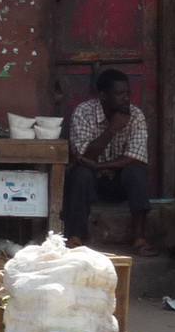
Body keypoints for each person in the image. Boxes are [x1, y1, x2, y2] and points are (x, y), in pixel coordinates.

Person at [66, 69, 155, 253]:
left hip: (119, 181)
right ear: (103, 96)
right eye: (120, 94)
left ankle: (139, 238)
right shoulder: (84, 113)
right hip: (92, 181)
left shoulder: (135, 115)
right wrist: (112, 129)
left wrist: (99, 166)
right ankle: (76, 237)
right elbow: (84, 155)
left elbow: (134, 157)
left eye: (127, 93)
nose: (126, 98)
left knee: (137, 172)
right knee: (80, 174)